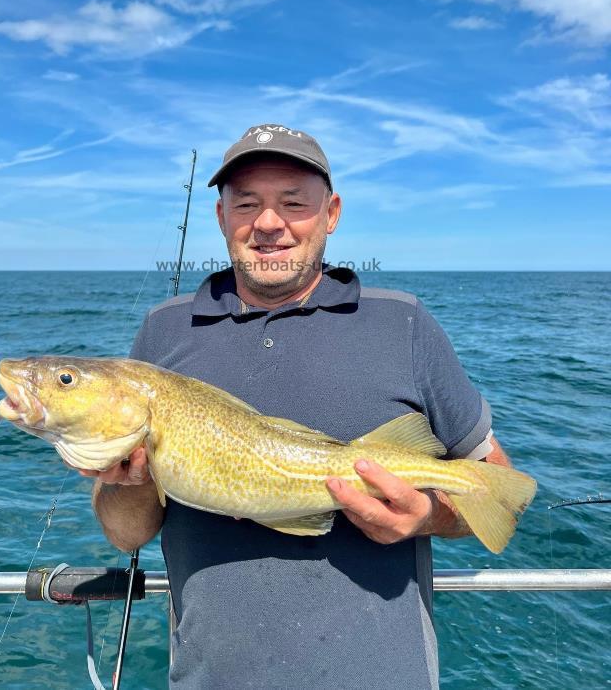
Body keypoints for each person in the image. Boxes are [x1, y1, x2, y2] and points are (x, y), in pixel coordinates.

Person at [79, 125, 514, 690]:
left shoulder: (402, 321)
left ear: (331, 213)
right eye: (247, 203)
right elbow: (125, 535)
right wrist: (127, 481)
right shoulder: (163, 331)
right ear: (219, 216)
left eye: (292, 203)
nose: (267, 222)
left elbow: (495, 484)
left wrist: (425, 516)